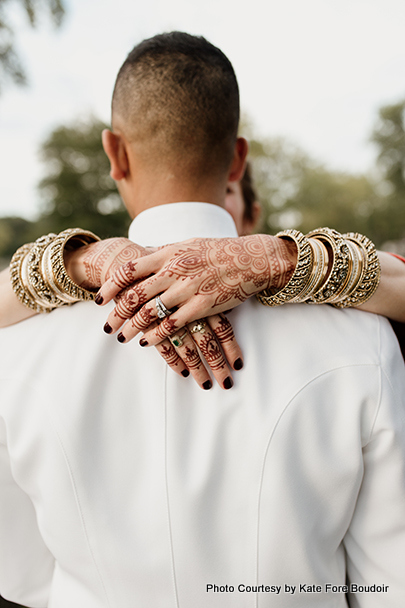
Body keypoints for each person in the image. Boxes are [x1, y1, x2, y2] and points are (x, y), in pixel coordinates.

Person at [1, 31, 405, 608]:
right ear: (238, 157)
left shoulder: (21, 349)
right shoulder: (362, 337)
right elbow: (388, 583)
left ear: (114, 153)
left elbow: (24, 576)